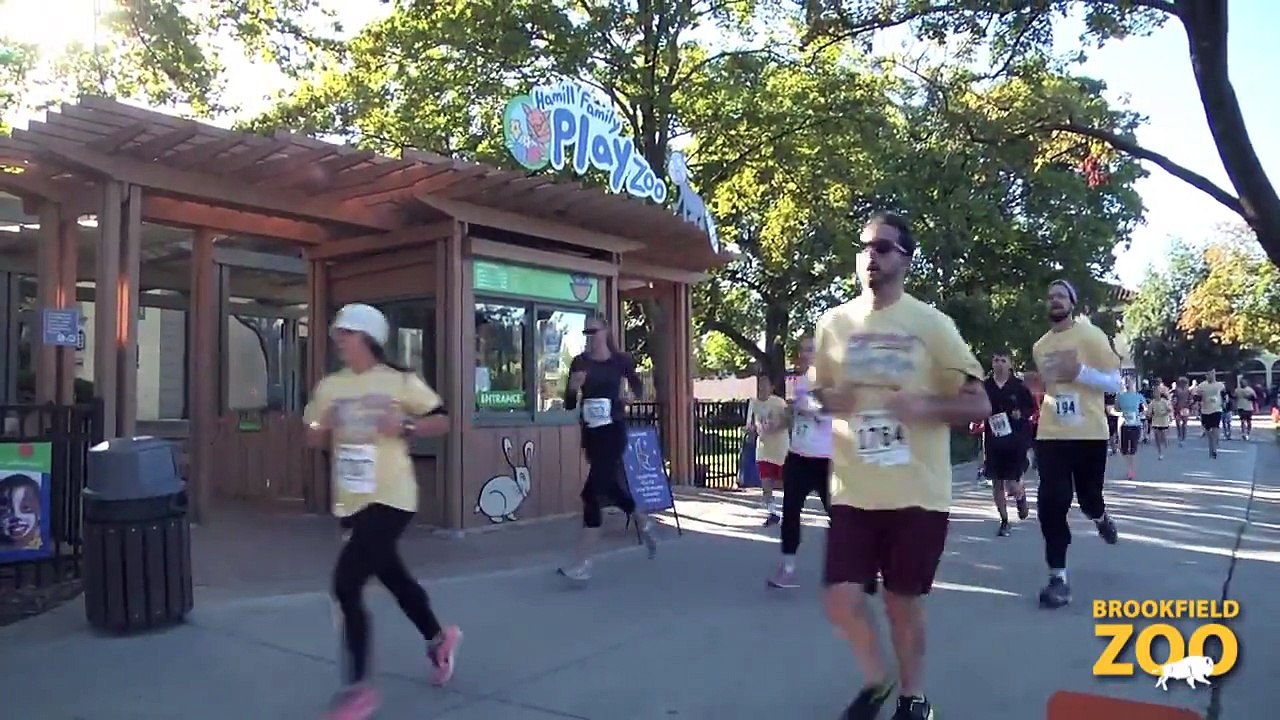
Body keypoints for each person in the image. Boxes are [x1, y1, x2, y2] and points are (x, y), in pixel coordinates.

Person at [813, 213, 990, 720]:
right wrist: (830, 398)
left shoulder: (932, 325)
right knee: (841, 600)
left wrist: (926, 409)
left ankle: (913, 699)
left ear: (906, 259)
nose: (872, 256)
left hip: (918, 493)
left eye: (884, 248)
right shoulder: (834, 324)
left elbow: (979, 405)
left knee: (901, 602)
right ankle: (879, 677)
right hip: (853, 489)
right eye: (864, 247)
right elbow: (817, 393)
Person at [304, 303, 462, 720]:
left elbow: (443, 420)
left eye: (346, 333)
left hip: (393, 498)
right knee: (393, 576)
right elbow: (310, 435)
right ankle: (438, 637)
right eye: (337, 333)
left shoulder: (400, 381)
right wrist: (326, 425)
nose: (339, 340)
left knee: (346, 583)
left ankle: (358, 688)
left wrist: (406, 427)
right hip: (351, 501)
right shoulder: (330, 387)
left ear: (368, 338)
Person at [1031, 281, 1122, 610]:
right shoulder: (1040, 346)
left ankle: (1100, 517)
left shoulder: (1091, 336)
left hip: (1089, 434)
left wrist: (1080, 372)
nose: (1054, 300)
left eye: (1061, 295)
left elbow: (1115, 382)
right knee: (1051, 503)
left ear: (1072, 302)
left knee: (1088, 499)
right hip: (1052, 433)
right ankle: (1059, 578)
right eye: (1050, 295)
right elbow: (1048, 387)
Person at [559, 314, 658, 582]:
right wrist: (571, 389)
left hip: (613, 432)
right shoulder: (580, 362)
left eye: (595, 330)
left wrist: (631, 396)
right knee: (610, 487)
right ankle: (642, 520)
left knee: (591, 494)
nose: (590, 336)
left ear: (606, 330)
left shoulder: (620, 361)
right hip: (591, 434)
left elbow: (640, 387)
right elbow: (569, 404)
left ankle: (582, 562)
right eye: (586, 331)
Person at [768, 336, 836, 589]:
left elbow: (830, 414)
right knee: (790, 511)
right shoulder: (802, 381)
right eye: (802, 350)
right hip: (798, 456)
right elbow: (796, 413)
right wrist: (782, 420)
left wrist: (810, 409)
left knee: (839, 516)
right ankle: (787, 568)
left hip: (825, 459)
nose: (804, 354)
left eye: (810, 350)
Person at [975, 349, 1036, 536]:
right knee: (996, 482)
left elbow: (1031, 408)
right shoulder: (985, 387)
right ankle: (1004, 520)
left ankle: (1020, 496)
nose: (999, 363)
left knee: (1012, 483)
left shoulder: (1019, 386)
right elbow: (977, 408)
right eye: (996, 360)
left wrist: (1022, 413)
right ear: (992, 363)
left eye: (1003, 360)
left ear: (1010, 364)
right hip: (994, 440)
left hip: (1015, 440)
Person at [747, 374, 789, 526]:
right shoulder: (755, 404)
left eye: (765, 384)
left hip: (780, 449)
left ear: (771, 387)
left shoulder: (779, 403)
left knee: (784, 483)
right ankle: (773, 513)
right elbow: (753, 424)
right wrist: (751, 429)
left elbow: (788, 422)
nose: (762, 387)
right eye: (760, 384)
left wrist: (775, 426)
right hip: (763, 449)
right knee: (766, 484)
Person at [1114, 377, 1145, 480]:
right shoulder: (1120, 396)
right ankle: (1130, 468)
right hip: (1125, 424)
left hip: (1133, 424)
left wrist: (1142, 412)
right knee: (1125, 449)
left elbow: (1145, 408)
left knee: (1130, 449)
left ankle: (1130, 469)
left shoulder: (1138, 396)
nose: (1129, 385)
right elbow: (1116, 408)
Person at [1194, 370, 1226, 459]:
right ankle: (1212, 443)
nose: (1209, 376)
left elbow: (1224, 396)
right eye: (1208, 374)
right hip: (1205, 410)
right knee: (1208, 430)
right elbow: (1197, 397)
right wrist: (1196, 399)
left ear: (1214, 375)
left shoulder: (1220, 385)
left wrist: (1225, 403)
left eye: (1211, 374)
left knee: (1215, 427)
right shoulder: (1201, 386)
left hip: (1217, 409)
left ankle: (1214, 449)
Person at [1148, 387, 1173, 460]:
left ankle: (1165, 444)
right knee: (1157, 438)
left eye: (1157, 393)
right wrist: (1149, 414)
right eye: (1154, 393)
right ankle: (1160, 453)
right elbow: (1149, 413)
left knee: (1163, 437)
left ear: (1160, 394)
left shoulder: (1164, 401)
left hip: (1164, 422)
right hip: (1155, 422)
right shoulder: (1152, 403)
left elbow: (1169, 410)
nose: (1156, 395)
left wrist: (1168, 412)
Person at [1171, 377, 1194, 446]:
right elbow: (1174, 398)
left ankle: (1181, 437)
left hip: (1184, 408)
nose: (1183, 384)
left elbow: (1191, 399)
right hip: (1179, 408)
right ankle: (1181, 436)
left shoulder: (1187, 391)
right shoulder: (1177, 390)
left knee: (1183, 423)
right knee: (1180, 423)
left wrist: (1190, 404)